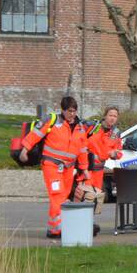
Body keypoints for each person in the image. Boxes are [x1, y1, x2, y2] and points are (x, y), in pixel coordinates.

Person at [19, 96, 88, 238]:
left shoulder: (80, 127)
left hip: (68, 167)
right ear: (62, 110)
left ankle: (54, 227)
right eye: (69, 111)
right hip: (51, 165)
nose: (72, 114)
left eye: (74, 111)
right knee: (57, 195)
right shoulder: (52, 120)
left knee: (63, 195)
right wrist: (24, 150)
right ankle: (57, 229)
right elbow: (35, 135)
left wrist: (84, 168)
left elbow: (82, 149)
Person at [86, 106, 122, 194]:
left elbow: (118, 152)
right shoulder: (94, 127)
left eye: (115, 116)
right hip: (86, 169)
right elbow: (80, 142)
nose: (112, 118)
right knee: (85, 196)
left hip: (99, 170)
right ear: (105, 116)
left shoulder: (116, 133)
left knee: (96, 197)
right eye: (110, 115)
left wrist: (114, 154)